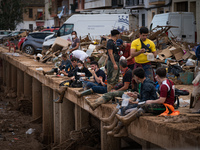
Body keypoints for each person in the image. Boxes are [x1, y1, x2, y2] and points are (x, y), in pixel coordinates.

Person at [115, 67, 176, 137]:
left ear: (158, 76)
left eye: (156, 75)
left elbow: (162, 100)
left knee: (145, 106)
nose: (155, 77)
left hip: (167, 108)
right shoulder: (169, 82)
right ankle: (125, 119)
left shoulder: (163, 86)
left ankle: (126, 120)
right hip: (167, 105)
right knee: (143, 105)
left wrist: (151, 101)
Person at [100, 67, 158, 137]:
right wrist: (135, 95)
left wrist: (133, 102)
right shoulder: (143, 82)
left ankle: (118, 129)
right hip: (143, 102)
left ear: (137, 77)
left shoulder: (146, 85)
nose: (133, 79)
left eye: (134, 77)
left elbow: (144, 101)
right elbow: (143, 96)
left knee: (124, 108)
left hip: (147, 106)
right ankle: (112, 122)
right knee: (121, 104)